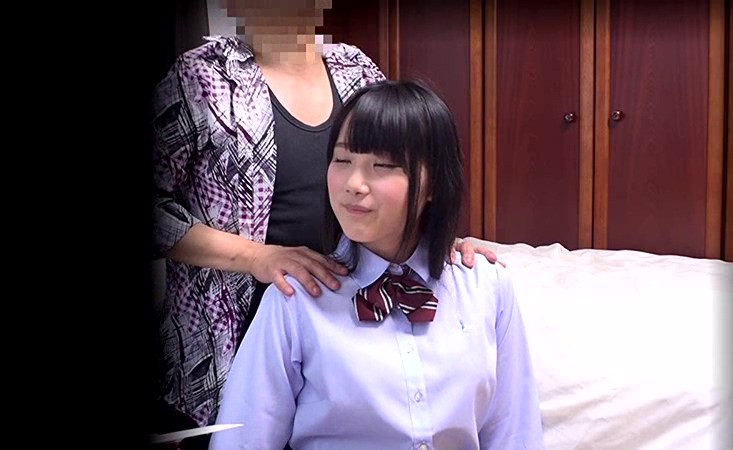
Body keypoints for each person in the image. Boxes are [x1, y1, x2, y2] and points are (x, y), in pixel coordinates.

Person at [150, 0, 498, 435]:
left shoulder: (356, 70)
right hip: (228, 347)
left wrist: (437, 237)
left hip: (343, 344)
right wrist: (256, 257)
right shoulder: (202, 76)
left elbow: (401, 175)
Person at [209, 80, 544, 449]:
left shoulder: (486, 287)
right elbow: (240, 442)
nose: (354, 183)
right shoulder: (295, 300)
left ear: (433, 183)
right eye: (342, 160)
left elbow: (515, 434)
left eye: (382, 165)